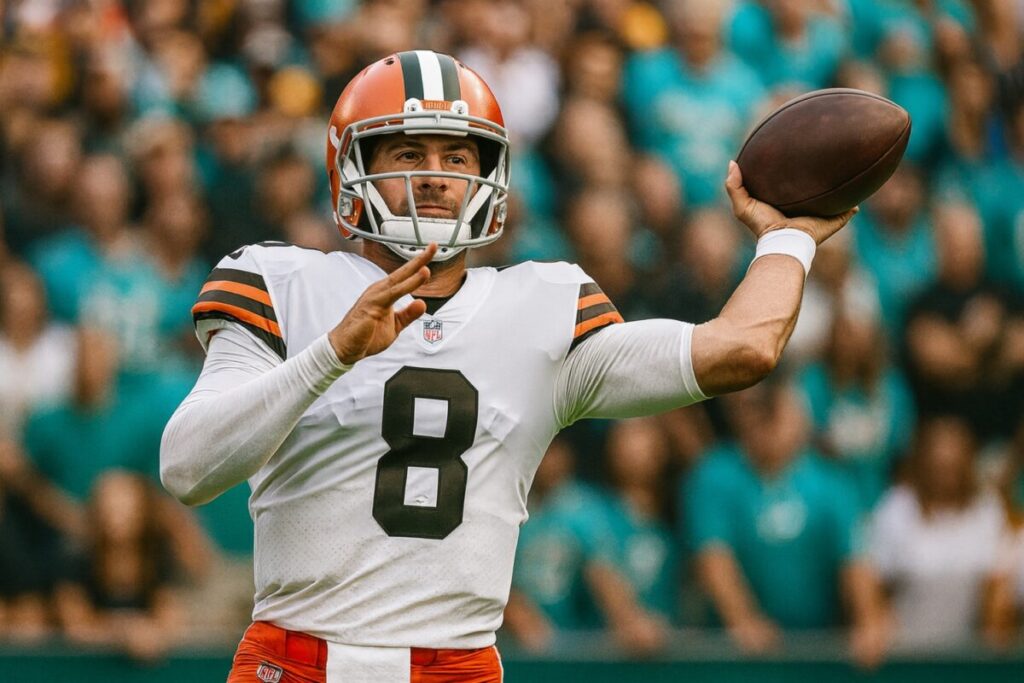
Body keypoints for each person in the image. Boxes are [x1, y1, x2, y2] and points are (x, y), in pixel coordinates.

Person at [160, 50, 856, 682]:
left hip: (456, 667)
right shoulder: (281, 282)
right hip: (296, 659)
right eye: (407, 151)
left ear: (488, 175)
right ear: (352, 167)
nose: (435, 175)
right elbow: (187, 467)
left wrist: (788, 239)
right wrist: (331, 354)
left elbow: (743, 348)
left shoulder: (542, 305)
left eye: (458, 156)